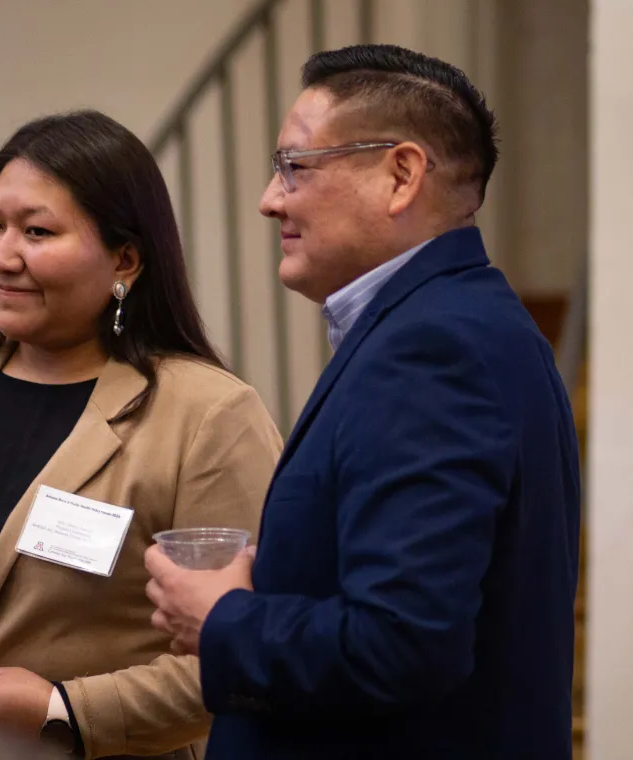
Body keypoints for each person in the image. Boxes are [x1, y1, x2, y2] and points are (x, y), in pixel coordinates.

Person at [145, 44, 581, 760]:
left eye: (294, 166)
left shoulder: (434, 349)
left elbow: (402, 642)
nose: (269, 198)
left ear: (401, 174)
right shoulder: (462, 322)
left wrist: (224, 617)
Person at [0, 110, 283, 759]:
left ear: (125, 259)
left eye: (36, 232)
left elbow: (248, 651)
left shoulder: (208, 415)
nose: (1, 255)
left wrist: (61, 710)